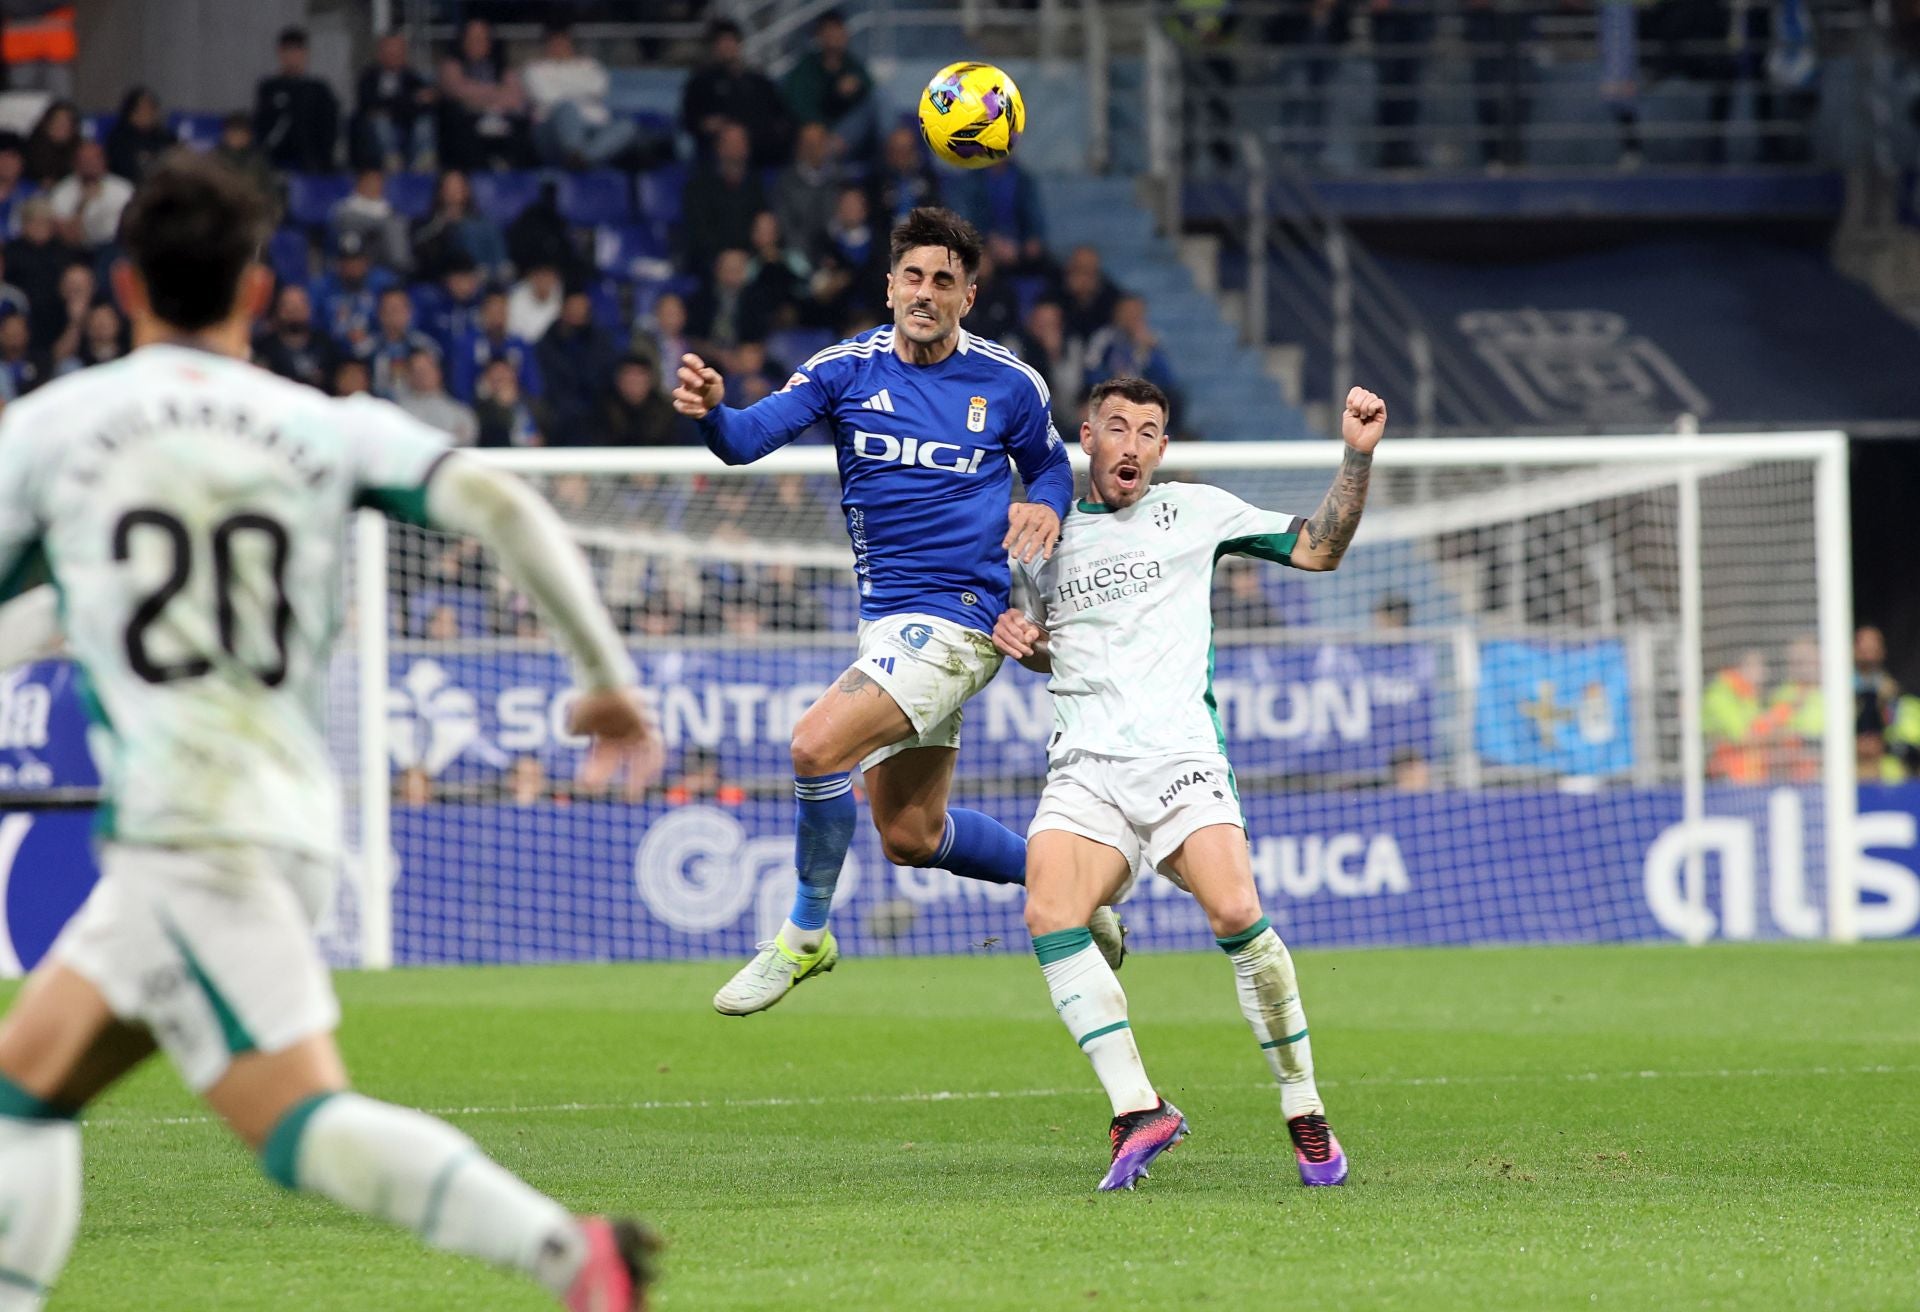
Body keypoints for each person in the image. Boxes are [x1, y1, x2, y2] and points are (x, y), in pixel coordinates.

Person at [0, 151, 662, 1312]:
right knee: (26, 1084)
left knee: (297, 1122)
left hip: (193, 830)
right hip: (267, 815)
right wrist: (605, 676)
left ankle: (572, 1255)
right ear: (258, 287)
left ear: (123, 284)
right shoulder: (322, 424)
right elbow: (504, 500)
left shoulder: (53, 430)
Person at [674, 206, 1125, 1016]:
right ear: (889, 287)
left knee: (815, 746)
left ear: (969, 297)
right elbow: (744, 441)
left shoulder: (1009, 383)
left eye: (943, 281)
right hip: (887, 621)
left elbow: (1053, 470)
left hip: (964, 618)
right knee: (912, 837)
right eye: (913, 277)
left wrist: (1048, 508)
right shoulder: (845, 370)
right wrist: (712, 410)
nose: (926, 292)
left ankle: (804, 937)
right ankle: (1076, 885)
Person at [992, 375, 1383, 1191]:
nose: (1131, 444)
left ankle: (1303, 1108)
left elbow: (1320, 547)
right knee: (1047, 913)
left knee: (1238, 912)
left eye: (1148, 431)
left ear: (1161, 448)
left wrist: (1356, 455)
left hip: (1180, 764)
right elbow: (1041, 644)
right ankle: (1138, 1107)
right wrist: (1020, 638)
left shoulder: (1194, 513)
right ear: (1087, 436)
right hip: (1087, 770)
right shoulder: (1042, 534)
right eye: (1117, 428)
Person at [524, 22, 637, 169]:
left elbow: (600, 88)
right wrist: (582, 91)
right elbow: (546, 97)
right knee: (566, 107)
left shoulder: (590, 65)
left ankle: (582, 158)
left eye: (563, 42)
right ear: (546, 45)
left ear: (570, 43)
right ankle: (575, 152)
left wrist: (561, 88)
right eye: (554, 43)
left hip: (594, 128)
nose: (559, 47)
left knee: (627, 126)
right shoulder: (535, 69)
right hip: (552, 131)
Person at [681, 19, 792, 166]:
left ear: (739, 43)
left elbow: (780, 114)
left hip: (762, 148)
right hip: (718, 152)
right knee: (733, 139)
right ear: (713, 47)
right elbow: (689, 121)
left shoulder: (759, 81)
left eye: (730, 40)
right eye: (720, 42)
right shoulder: (700, 83)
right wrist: (707, 125)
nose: (726, 46)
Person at [436, 18, 529, 171]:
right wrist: (496, 92)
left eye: (481, 38)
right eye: (471, 38)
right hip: (468, 121)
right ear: (463, 41)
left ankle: (512, 172)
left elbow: (516, 97)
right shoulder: (452, 65)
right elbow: (458, 90)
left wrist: (485, 101)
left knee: (521, 125)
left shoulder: (502, 67)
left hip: (501, 118)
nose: (476, 43)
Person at [780, 10, 876, 156]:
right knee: (813, 134)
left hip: (849, 134)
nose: (834, 36)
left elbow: (870, 91)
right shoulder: (806, 68)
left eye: (838, 30)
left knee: (881, 96)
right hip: (820, 131)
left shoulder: (852, 65)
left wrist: (856, 88)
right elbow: (797, 105)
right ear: (819, 36)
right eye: (829, 31)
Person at [681, 121, 766, 279]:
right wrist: (726, 256)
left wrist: (746, 255)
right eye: (730, 143)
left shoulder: (755, 185)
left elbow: (760, 224)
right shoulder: (698, 186)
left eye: (740, 142)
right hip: (710, 261)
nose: (736, 148)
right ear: (718, 147)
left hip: (749, 259)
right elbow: (699, 234)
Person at [254, 26, 341, 172]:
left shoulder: (319, 89)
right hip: (275, 157)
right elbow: (262, 125)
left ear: (305, 54)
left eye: (297, 51)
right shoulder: (269, 88)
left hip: (313, 160)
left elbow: (329, 128)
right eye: (288, 51)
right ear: (280, 53)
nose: (293, 57)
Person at [536, 289, 618, 443]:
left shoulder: (601, 341)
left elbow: (606, 378)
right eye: (573, 307)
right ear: (563, 309)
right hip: (559, 415)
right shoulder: (547, 343)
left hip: (596, 413)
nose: (577, 312)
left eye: (582, 307)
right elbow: (549, 385)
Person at [353, 30, 437, 172]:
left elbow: (425, 103)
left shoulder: (414, 78)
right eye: (389, 50)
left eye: (398, 51)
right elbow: (369, 104)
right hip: (377, 132)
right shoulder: (368, 77)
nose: (393, 55)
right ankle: (392, 164)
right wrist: (409, 101)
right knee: (381, 123)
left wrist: (391, 105)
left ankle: (422, 165)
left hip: (407, 127)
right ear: (380, 53)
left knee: (425, 123)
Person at [411, 169, 509, 284]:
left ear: (466, 190)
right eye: (450, 186)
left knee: (482, 227)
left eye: (458, 185)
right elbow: (420, 243)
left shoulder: (482, 223)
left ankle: (494, 271)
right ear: (440, 191)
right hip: (446, 273)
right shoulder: (428, 222)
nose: (454, 190)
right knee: (467, 230)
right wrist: (441, 224)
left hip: (485, 273)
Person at [452, 286, 541, 404]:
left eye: (501, 311)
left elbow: (534, 386)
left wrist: (515, 394)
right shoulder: (467, 344)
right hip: (477, 408)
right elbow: (460, 387)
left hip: (515, 405)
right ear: (483, 314)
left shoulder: (520, 345)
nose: (497, 318)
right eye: (492, 312)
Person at [46, 141, 134, 254]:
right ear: (75, 164)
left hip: (117, 248)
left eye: (95, 159)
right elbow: (68, 238)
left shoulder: (123, 189)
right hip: (77, 251)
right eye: (85, 160)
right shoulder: (62, 193)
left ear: (104, 161)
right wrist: (83, 204)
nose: (91, 164)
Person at [254, 281, 339, 391]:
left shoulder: (326, 346)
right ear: (277, 310)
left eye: (300, 305)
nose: (294, 310)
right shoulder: (264, 348)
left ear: (309, 309)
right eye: (288, 305)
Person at [358, 285, 439, 398]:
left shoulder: (426, 346)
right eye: (389, 309)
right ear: (380, 314)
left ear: (409, 312)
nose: (394, 314)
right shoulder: (366, 349)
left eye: (399, 308)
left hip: (417, 406)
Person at [330, 167, 412, 275]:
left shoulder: (389, 209)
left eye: (378, 181)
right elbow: (346, 223)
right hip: (354, 258)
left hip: (383, 261)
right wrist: (385, 223)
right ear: (360, 183)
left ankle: (401, 268)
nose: (375, 186)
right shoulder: (346, 207)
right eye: (370, 181)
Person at [395, 344, 478, 446]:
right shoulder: (398, 413)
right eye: (417, 371)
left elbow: (467, 437)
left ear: (438, 372)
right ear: (409, 376)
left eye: (427, 369)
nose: (423, 375)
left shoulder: (460, 412)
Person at [598, 355, 679, 446]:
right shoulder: (601, 411)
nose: (633, 384)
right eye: (629, 377)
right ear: (618, 380)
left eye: (639, 377)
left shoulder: (667, 413)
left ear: (650, 380)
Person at [869, 125, 940, 228]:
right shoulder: (877, 181)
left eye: (907, 150)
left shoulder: (928, 178)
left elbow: (936, 210)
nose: (902, 156)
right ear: (888, 153)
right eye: (896, 151)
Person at [104, 87, 176, 185]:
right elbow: (119, 169)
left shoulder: (166, 137)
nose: (148, 113)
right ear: (131, 112)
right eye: (142, 109)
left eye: (152, 108)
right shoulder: (118, 139)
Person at [476, 354, 546, 447]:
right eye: (496, 375)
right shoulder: (482, 411)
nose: (502, 378)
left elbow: (550, 429)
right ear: (487, 379)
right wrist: (504, 406)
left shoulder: (533, 404)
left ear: (514, 374)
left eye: (504, 372)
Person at [21, 100, 78, 187]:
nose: (61, 126)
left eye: (66, 122)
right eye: (57, 121)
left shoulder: (79, 151)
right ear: (47, 123)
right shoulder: (30, 150)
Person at [508, 263, 565, 344]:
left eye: (548, 278)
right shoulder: (516, 299)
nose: (544, 283)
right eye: (541, 278)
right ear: (533, 278)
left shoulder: (560, 297)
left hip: (549, 348)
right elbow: (512, 332)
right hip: (523, 347)